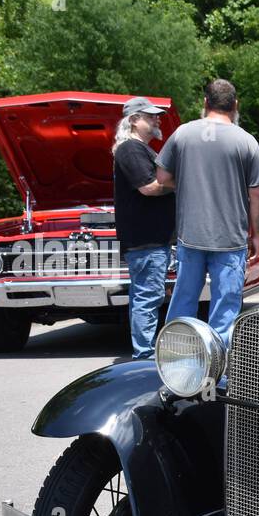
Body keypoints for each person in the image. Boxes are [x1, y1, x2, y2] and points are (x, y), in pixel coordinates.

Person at [155, 79, 259, 347]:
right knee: (225, 311)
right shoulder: (247, 141)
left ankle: (178, 362)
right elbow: (257, 196)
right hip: (231, 238)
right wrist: (256, 234)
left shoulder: (183, 133)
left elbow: (161, 176)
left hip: (191, 235)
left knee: (183, 302)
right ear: (235, 106)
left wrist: (187, 181)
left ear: (205, 103)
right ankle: (220, 373)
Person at [111, 96, 176, 359]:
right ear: (134, 120)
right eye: (150, 116)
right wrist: (182, 183)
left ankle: (145, 351)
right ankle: (144, 354)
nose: (157, 119)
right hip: (146, 241)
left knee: (149, 295)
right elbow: (148, 187)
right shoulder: (130, 149)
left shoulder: (140, 149)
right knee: (147, 297)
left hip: (153, 241)